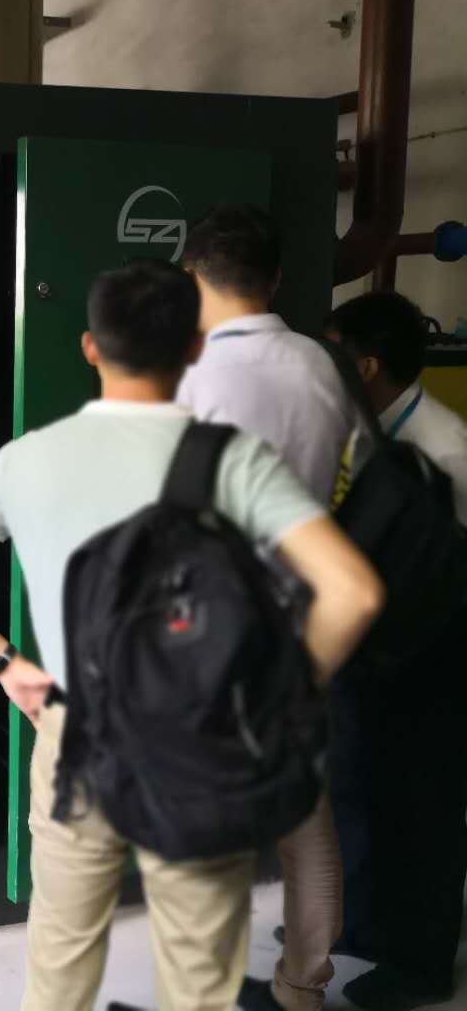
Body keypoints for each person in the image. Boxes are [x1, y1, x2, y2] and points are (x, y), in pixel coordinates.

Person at [0, 259, 383, 1011]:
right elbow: (353, 592)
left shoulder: (28, 459)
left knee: (59, 966)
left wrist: (7, 665)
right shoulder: (231, 459)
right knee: (198, 974)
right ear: (194, 346)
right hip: (204, 740)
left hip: (77, 734)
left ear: (91, 347)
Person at [173, 204, 359, 1011]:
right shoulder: (322, 366)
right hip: (307, 625)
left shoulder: (189, 376)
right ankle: (301, 987)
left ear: (192, 277)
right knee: (305, 819)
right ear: (275, 280)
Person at [324, 290, 467, 1011]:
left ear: (367, 364)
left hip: (433, 663)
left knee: (425, 809)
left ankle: (423, 961)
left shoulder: (447, 448)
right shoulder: (370, 435)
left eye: (335, 352)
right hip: (380, 655)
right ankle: (365, 924)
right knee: (364, 791)